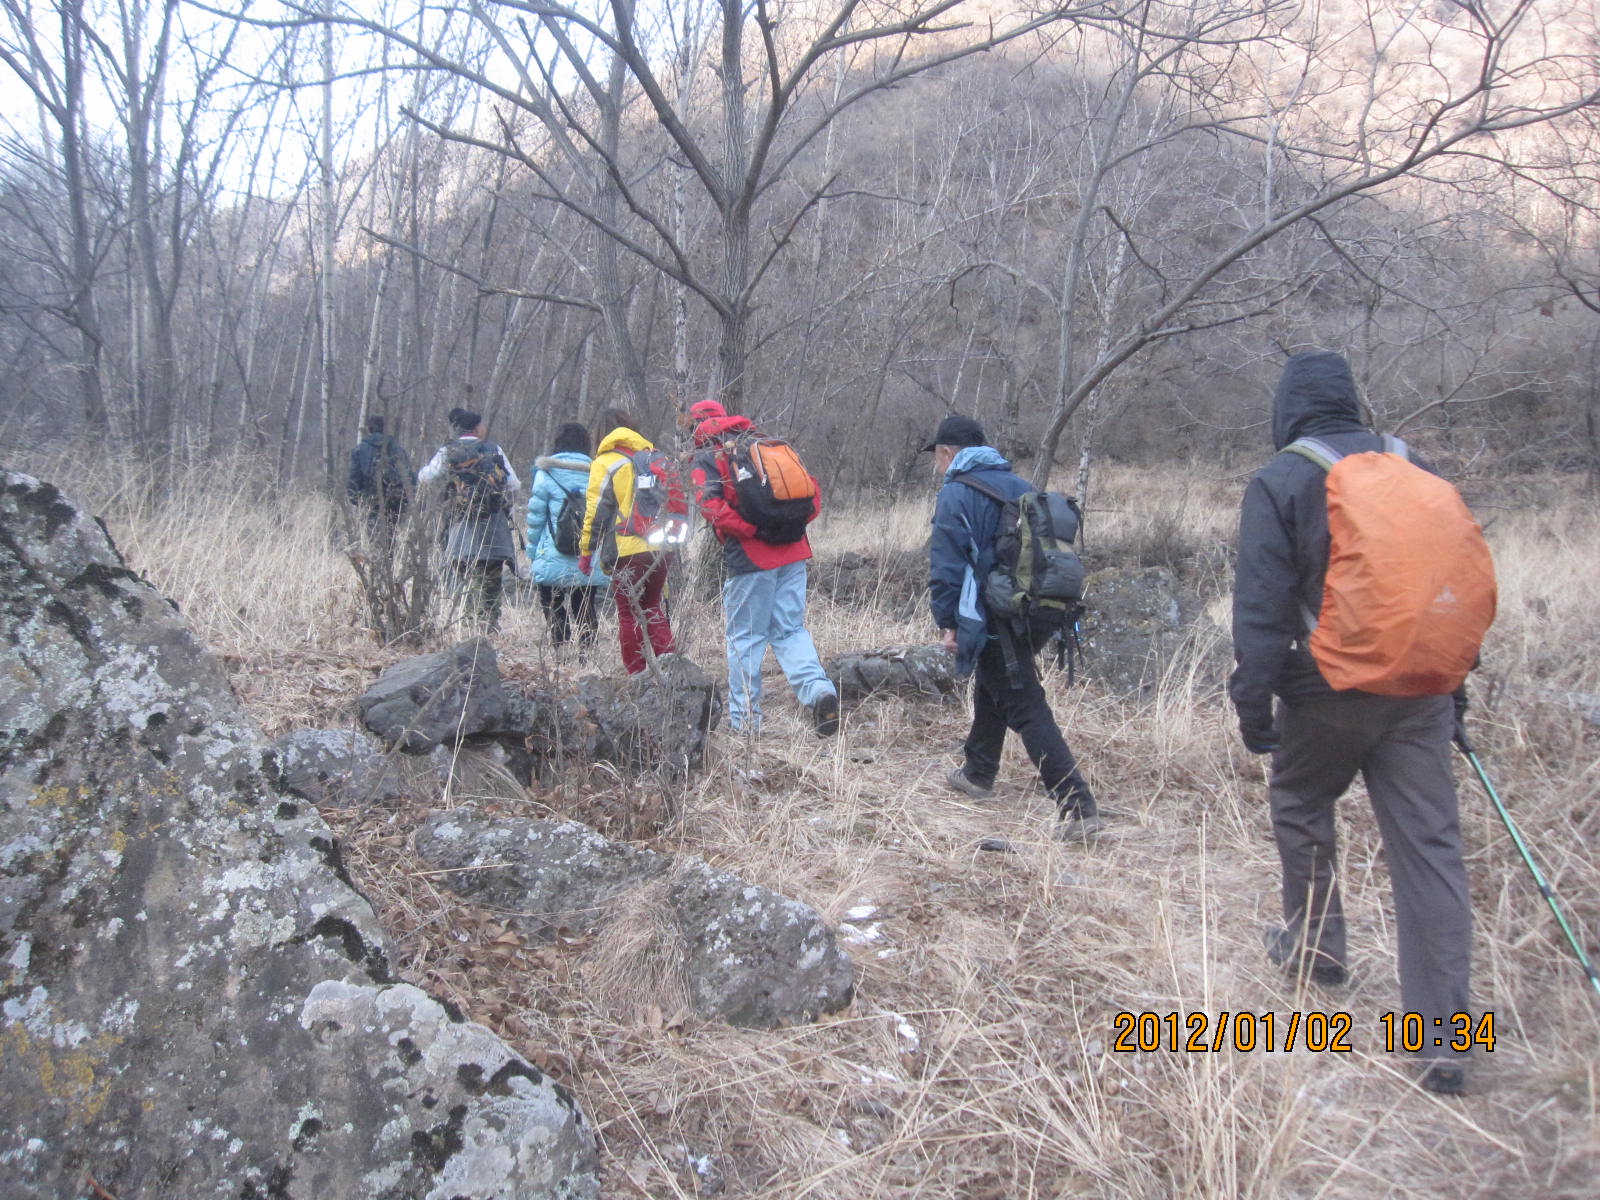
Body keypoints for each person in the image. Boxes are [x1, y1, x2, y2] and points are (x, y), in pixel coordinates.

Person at [1229, 350, 1473, 1096]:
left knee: (1301, 800)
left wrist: (1253, 703)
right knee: (1430, 847)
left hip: (1327, 689)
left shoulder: (1283, 479)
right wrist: (1455, 694)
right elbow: (1448, 587)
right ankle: (1445, 1042)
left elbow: (1262, 611)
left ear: (1287, 409)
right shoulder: (1415, 465)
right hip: (1424, 690)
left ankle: (1317, 950)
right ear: (1352, 401)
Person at [926, 415, 1099, 838]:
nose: (936, 464)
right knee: (997, 681)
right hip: (1036, 610)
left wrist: (948, 622)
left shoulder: (955, 493)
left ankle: (1077, 805)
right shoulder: (1020, 485)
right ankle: (978, 771)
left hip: (993, 614)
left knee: (1022, 702)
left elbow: (947, 567)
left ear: (947, 453)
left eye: (936, 456)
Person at [687, 399, 840, 736]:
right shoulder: (763, 442)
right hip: (794, 550)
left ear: (696, 427)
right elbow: (812, 496)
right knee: (790, 630)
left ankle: (745, 722)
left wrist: (752, 531)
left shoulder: (707, 457)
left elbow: (711, 508)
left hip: (752, 558)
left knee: (745, 638)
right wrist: (786, 528)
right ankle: (819, 692)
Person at [577, 409, 676, 674]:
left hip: (627, 547)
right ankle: (672, 673)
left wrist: (586, 552)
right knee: (652, 608)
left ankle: (637, 675)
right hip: (662, 545)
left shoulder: (605, 462)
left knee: (628, 613)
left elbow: (596, 512)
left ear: (601, 434)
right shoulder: (655, 457)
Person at [417, 407, 520, 631]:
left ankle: (467, 621)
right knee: (491, 574)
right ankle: (489, 621)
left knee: (463, 572)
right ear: (476, 428)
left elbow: (426, 478)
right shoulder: (493, 448)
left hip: (460, 522)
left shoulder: (448, 450)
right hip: (493, 523)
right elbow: (514, 484)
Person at [526, 421, 608, 650]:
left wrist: (532, 552)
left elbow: (536, 518)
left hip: (553, 550)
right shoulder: (599, 474)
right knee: (585, 603)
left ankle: (560, 646)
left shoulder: (546, 474)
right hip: (588, 553)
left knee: (551, 600)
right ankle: (586, 653)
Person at [346, 414, 412, 536]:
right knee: (392, 536)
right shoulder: (398, 449)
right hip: (396, 501)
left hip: (371, 500)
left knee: (373, 536)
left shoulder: (360, 450)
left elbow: (354, 478)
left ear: (369, 429)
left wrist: (356, 500)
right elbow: (409, 477)